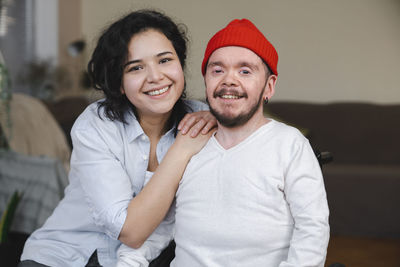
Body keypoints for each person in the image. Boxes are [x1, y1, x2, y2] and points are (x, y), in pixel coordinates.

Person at [19, 10, 216, 267]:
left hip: (149, 259)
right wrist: (182, 149)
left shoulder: (202, 119)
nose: (155, 76)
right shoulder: (96, 126)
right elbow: (130, 232)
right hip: (67, 256)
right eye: (136, 67)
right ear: (119, 83)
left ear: (180, 63)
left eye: (165, 60)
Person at [170, 18, 330, 266]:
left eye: (245, 71)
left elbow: (312, 229)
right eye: (217, 70)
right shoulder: (188, 142)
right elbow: (161, 223)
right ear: (206, 81)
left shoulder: (290, 144)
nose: (229, 80)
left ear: (269, 86)